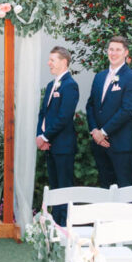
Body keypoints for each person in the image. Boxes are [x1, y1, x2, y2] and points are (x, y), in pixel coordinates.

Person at [86, 36, 132, 188]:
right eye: (111, 49)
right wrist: (94, 131)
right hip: (100, 144)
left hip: (121, 145)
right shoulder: (99, 76)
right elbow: (90, 105)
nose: (114, 53)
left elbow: (128, 110)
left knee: (125, 189)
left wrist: (103, 132)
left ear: (126, 53)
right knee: (105, 188)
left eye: (118, 50)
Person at [36, 46, 80, 226]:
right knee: (54, 186)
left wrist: (46, 137)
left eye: (52, 60)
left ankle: (64, 225)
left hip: (62, 146)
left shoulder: (70, 85)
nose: (49, 63)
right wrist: (40, 134)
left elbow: (64, 116)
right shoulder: (50, 85)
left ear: (64, 62)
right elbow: (43, 114)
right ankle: (55, 223)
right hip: (49, 145)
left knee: (63, 187)